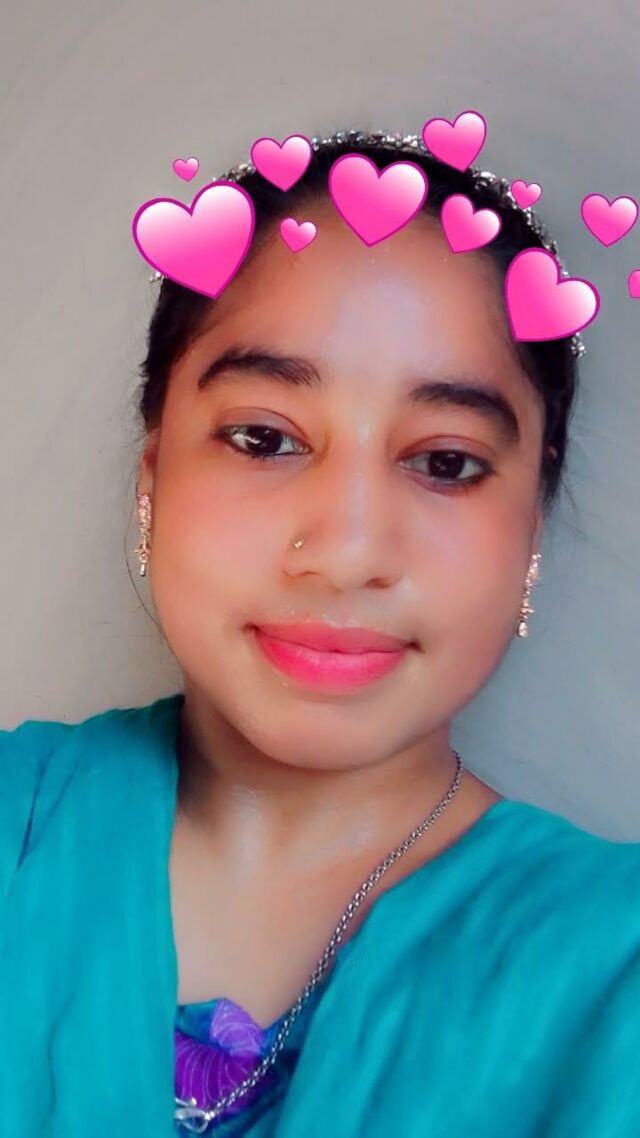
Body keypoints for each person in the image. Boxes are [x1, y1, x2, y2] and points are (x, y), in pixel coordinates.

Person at [2, 126, 640, 1138]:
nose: (346, 552)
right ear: (154, 475)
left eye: (444, 462)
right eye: (264, 438)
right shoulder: (20, 832)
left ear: (532, 522)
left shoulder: (612, 973)